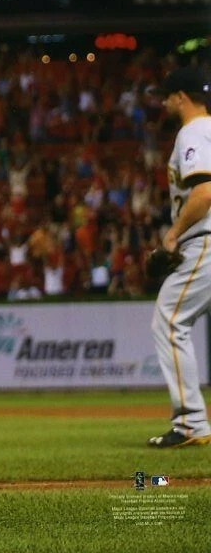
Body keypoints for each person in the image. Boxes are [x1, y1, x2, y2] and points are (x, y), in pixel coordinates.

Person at [148, 68, 211, 448]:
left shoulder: (193, 131)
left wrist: (171, 236)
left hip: (204, 240)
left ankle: (190, 423)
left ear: (182, 97)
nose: (163, 102)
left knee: (169, 321)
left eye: (167, 95)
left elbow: (204, 193)